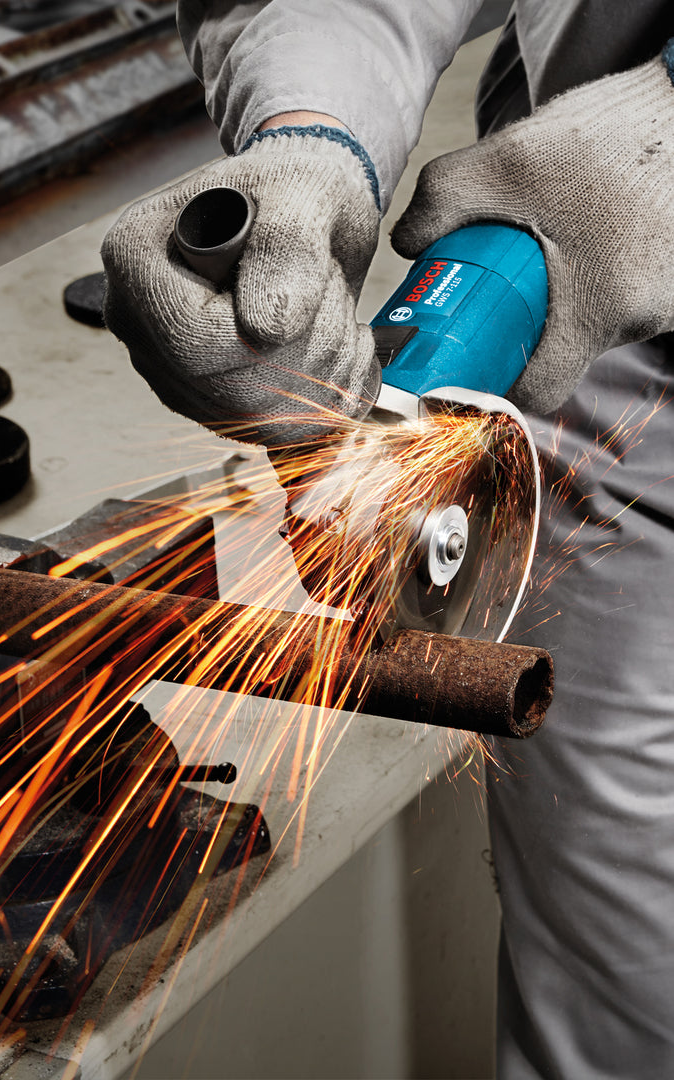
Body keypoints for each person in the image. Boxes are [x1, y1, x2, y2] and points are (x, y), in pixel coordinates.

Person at [101, 3, 674, 1077]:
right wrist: (310, 131)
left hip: (627, 195)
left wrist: (662, 138)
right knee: (633, 974)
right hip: (620, 332)